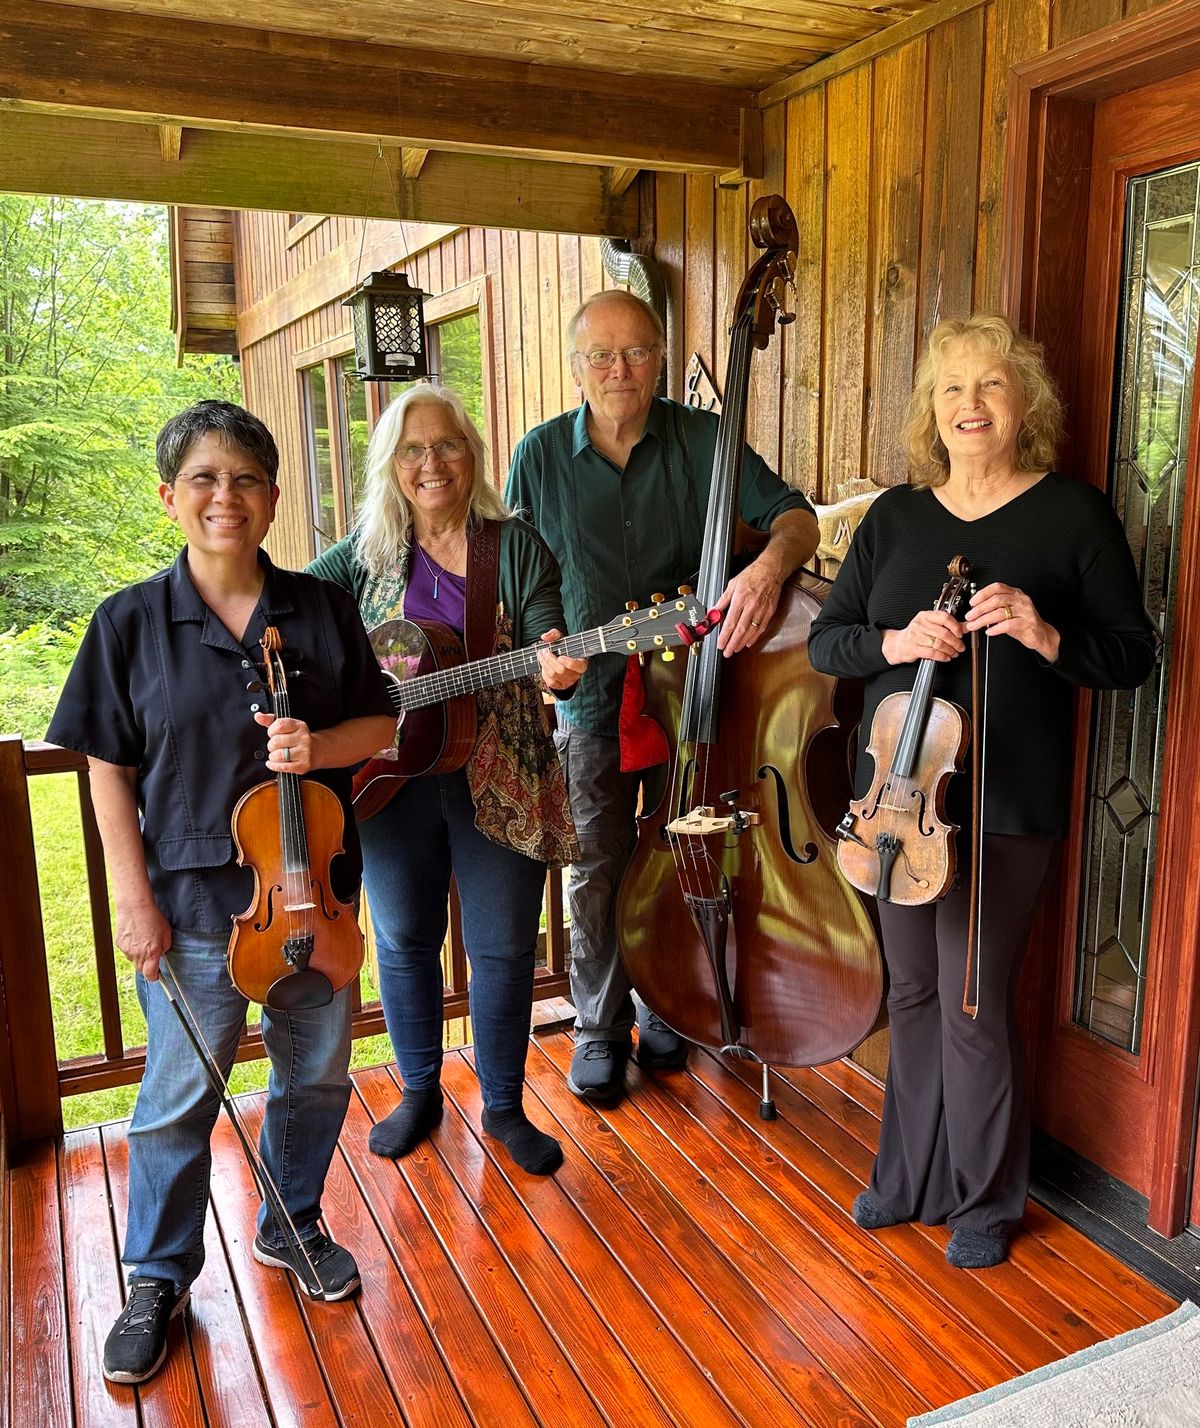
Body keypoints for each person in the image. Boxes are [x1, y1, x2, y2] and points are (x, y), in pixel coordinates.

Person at [46, 400, 398, 1384]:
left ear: (274, 499)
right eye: (202, 478)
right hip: (193, 902)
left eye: (245, 479)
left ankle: (292, 1219)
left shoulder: (321, 611)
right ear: (169, 498)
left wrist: (318, 747)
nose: (224, 497)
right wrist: (130, 898)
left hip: (311, 899)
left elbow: (378, 724)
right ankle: (156, 1277)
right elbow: (106, 766)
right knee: (177, 1097)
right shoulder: (128, 623)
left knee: (318, 1076)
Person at [808, 314, 1156, 1269]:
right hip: (899, 804)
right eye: (953, 388)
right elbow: (827, 640)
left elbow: (1132, 654)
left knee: (970, 999)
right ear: (932, 408)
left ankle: (987, 1203)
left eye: (992, 386)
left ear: (1025, 406)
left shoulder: (1070, 515)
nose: (971, 405)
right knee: (913, 988)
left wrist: (1046, 636)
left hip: (1005, 809)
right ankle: (905, 1177)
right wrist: (897, 642)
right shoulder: (896, 521)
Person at [505, 288, 819, 1104]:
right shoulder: (538, 457)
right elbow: (525, 574)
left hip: (698, 697)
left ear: (660, 358)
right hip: (592, 701)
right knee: (600, 868)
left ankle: (671, 1007)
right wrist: (544, 643)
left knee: (687, 852)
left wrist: (766, 566)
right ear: (577, 366)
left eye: (638, 351)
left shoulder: (703, 438)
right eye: (601, 355)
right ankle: (601, 1028)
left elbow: (795, 518)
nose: (620, 369)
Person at [308, 384, 585, 1176]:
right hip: (387, 781)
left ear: (473, 455)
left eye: (448, 445)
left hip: (501, 772)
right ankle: (420, 1090)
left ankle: (502, 1106)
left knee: (501, 950)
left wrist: (558, 669)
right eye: (413, 450)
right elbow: (292, 613)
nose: (432, 463)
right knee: (402, 943)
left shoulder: (517, 547)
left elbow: (546, 642)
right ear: (392, 467)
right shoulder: (361, 554)